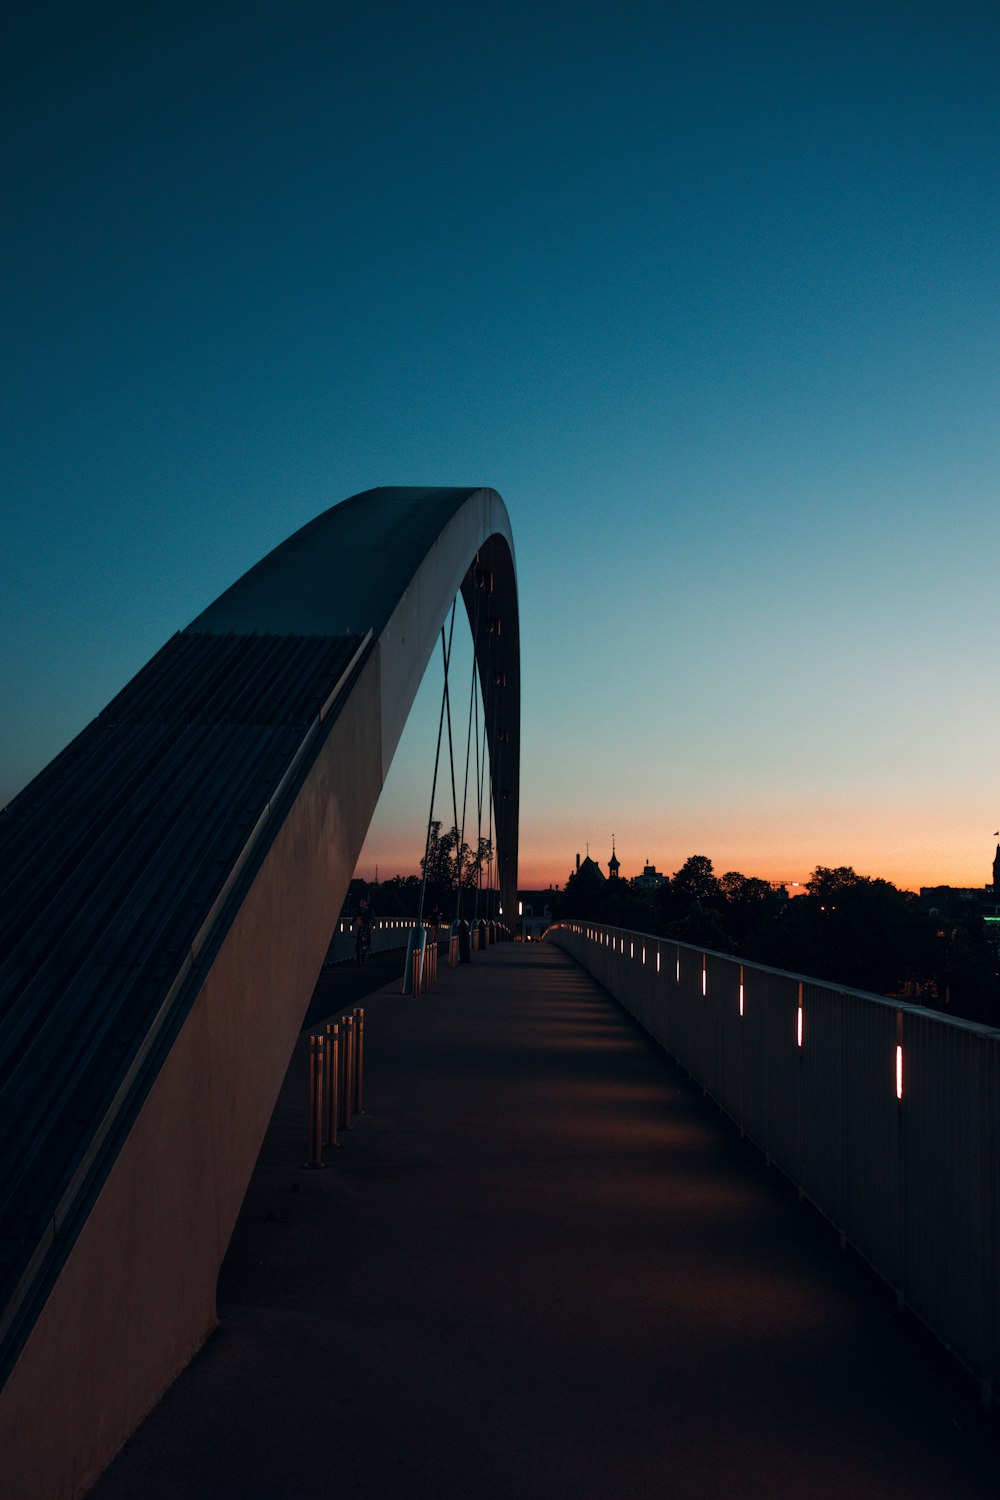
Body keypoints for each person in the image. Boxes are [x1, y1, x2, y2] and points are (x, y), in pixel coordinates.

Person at [355, 898, 374, 964]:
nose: (362, 904)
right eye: (361, 903)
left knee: (368, 936)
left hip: (367, 925)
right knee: (358, 939)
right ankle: (358, 953)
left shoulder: (369, 910)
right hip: (361, 925)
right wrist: (352, 922)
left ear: (366, 903)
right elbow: (355, 916)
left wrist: (372, 923)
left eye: (363, 902)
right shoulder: (359, 910)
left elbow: (372, 917)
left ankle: (367, 947)